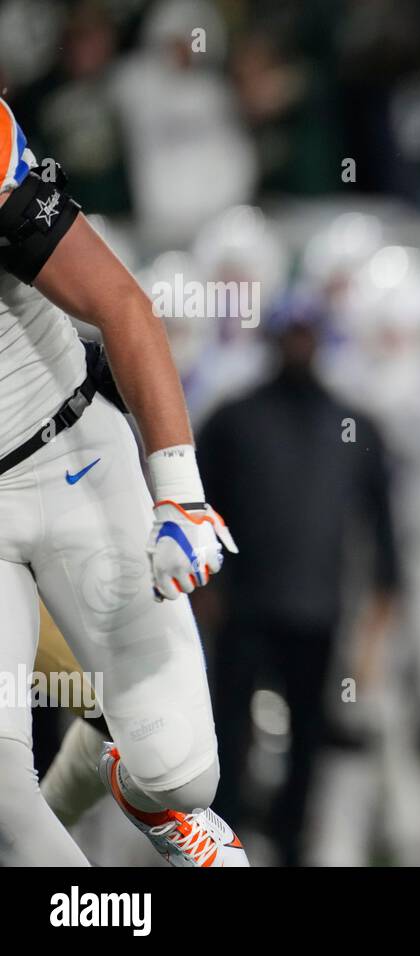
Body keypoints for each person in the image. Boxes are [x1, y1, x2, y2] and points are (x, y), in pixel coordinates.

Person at [0, 97, 244, 866]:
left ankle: (144, 790)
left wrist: (180, 492)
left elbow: (120, 304)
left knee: (182, 773)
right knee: (4, 798)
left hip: (71, 457)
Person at [198, 292, 399, 867]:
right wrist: (206, 593)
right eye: (290, 334)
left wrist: (380, 613)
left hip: (317, 610)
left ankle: (292, 848)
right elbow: (198, 507)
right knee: (229, 737)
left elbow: (381, 528)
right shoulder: (233, 419)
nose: (298, 346)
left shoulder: (354, 425)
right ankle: (224, 843)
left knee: (309, 743)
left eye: (308, 334)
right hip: (244, 610)